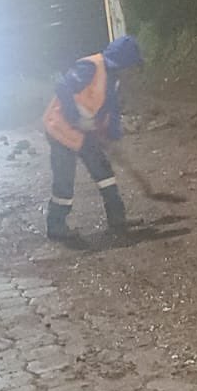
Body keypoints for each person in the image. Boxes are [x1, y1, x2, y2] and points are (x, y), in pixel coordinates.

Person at [43, 35, 144, 240]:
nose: (132, 73)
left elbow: (112, 112)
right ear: (122, 63)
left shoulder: (113, 80)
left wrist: (113, 139)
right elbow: (63, 86)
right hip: (61, 129)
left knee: (104, 173)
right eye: (131, 67)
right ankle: (56, 226)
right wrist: (73, 116)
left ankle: (117, 220)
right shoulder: (91, 67)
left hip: (83, 132)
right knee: (64, 181)